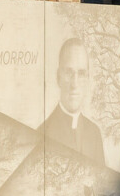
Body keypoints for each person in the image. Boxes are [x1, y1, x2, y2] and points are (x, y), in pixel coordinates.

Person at [40, 37, 104, 166]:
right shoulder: (41, 135)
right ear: (58, 77)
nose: (75, 84)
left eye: (81, 73)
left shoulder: (94, 133)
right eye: (69, 72)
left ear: (87, 78)